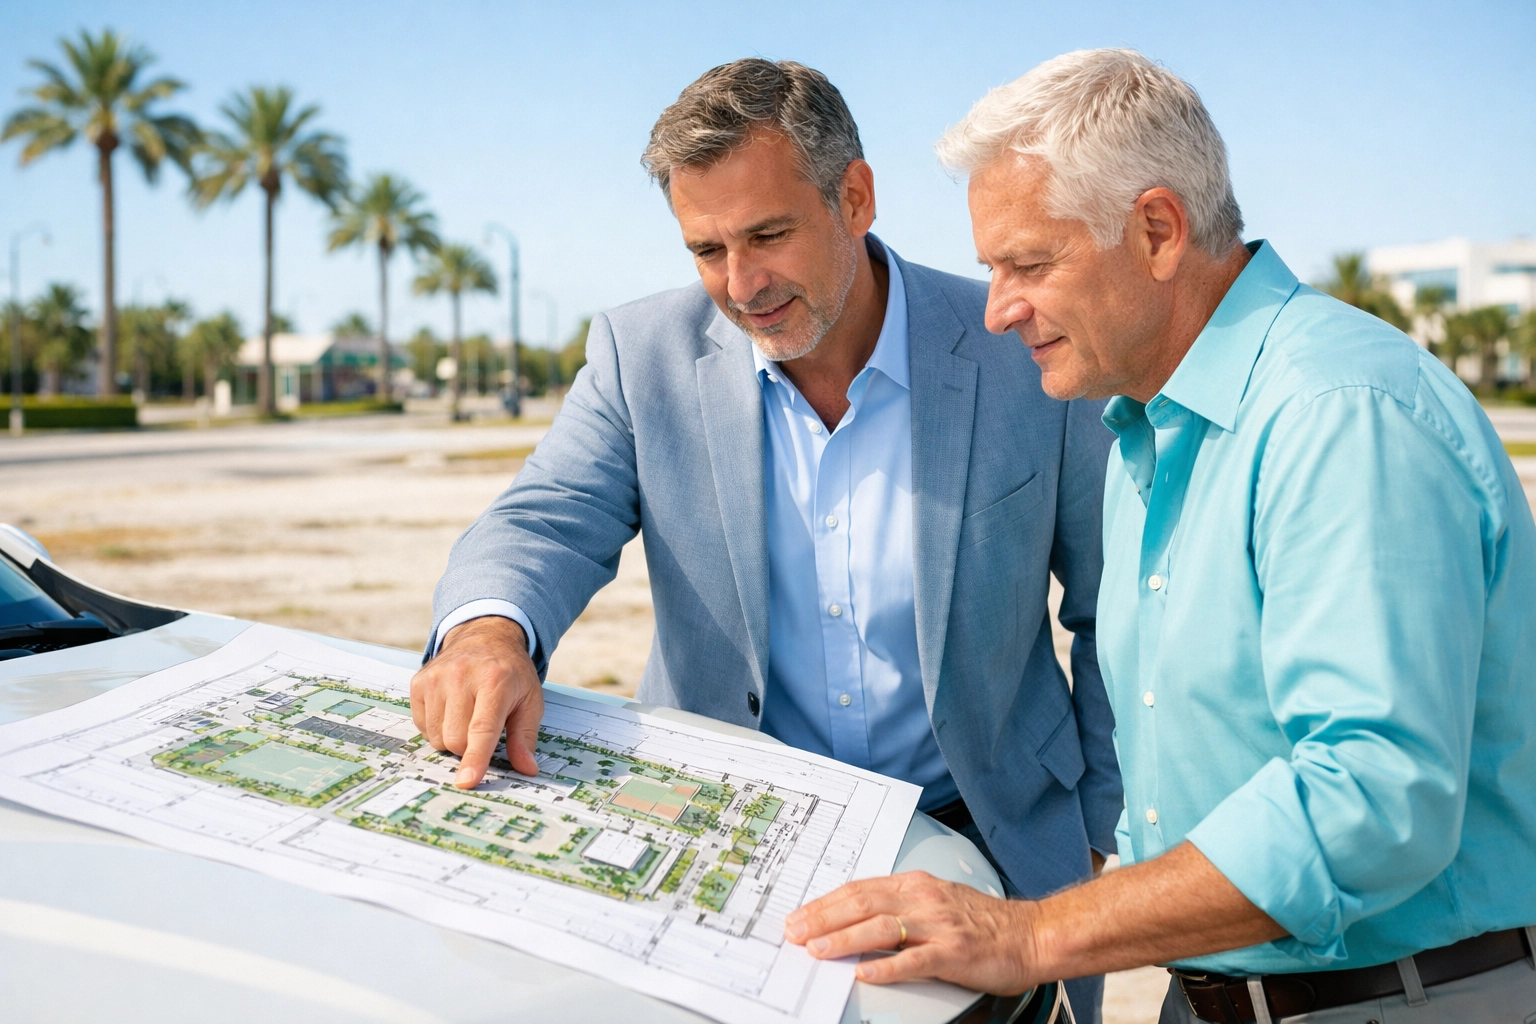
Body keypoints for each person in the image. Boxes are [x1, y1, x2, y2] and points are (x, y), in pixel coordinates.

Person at [785, 48, 1536, 1023]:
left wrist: (1034, 934)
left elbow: (1375, 796)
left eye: (1029, 263)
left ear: (1157, 230)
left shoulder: (1338, 414)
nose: (1000, 308)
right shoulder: (1144, 430)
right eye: (990, 269)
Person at [410, 58, 1122, 1020]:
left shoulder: (1017, 341)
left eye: (768, 235)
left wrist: (1090, 835)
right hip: (727, 846)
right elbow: (545, 515)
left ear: (856, 197)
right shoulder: (638, 356)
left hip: (990, 843)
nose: (740, 285)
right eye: (706, 249)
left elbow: (1113, 609)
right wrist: (487, 633)